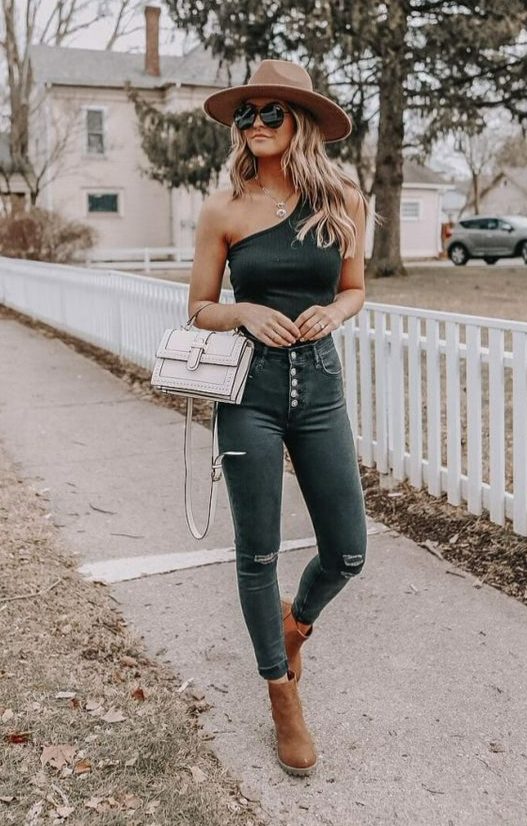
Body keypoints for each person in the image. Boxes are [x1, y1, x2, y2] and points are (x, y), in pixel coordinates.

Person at [188, 59, 368, 777]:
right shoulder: (223, 209)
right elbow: (198, 306)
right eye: (247, 113)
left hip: (320, 388)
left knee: (348, 550)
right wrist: (241, 310)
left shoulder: (342, 195)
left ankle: (295, 623)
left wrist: (334, 310)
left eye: (271, 112)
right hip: (248, 394)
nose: (256, 124)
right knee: (255, 554)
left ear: (300, 122)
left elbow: (356, 288)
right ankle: (280, 694)